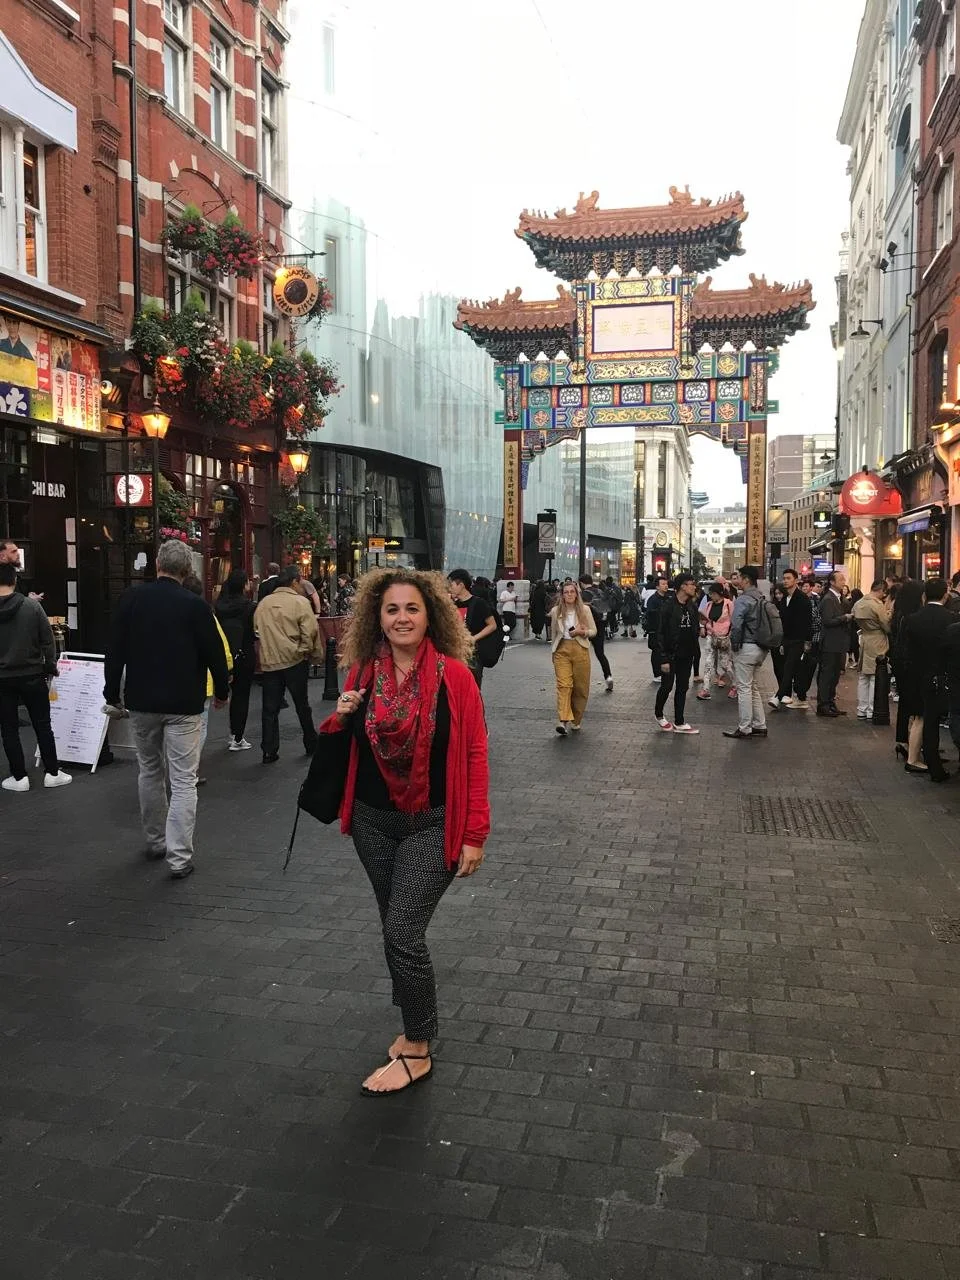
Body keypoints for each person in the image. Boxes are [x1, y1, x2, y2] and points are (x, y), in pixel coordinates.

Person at [319, 568, 489, 1095]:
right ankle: (411, 1018)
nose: (401, 619)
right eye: (391, 610)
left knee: (402, 933)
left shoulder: (455, 677)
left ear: (429, 614)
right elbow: (337, 742)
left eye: (411, 609)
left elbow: (476, 753)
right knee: (395, 927)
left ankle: (418, 1044)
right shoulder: (363, 674)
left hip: (433, 822)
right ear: (378, 616)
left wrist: (475, 833)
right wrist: (340, 717)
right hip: (374, 822)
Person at [103, 539, 230, 878]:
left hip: (142, 700)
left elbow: (115, 649)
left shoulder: (131, 600)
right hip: (184, 703)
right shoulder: (194, 606)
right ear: (187, 570)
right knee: (184, 779)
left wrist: (111, 691)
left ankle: (155, 840)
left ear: (156, 564)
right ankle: (179, 857)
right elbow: (213, 652)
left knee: (149, 770)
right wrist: (221, 689)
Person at [0, 562, 70, 792]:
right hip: (33, 674)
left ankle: (19, 777)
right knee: (43, 725)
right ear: (15, 580)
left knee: (8, 728)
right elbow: (47, 640)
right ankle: (52, 772)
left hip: (2, 679)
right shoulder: (31, 607)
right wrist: (50, 666)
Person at [253, 565, 320, 764]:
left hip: (270, 661)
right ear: (294, 582)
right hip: (294, 660)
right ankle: (310, 742)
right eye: (300, 582)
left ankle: (268, 750)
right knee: (302, 705)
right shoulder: (300, 602)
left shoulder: (264, 604)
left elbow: (257, 630)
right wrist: (308, 652)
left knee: (269, 709)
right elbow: (309, 632)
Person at [905, 578, 953, 782]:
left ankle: (926, 759)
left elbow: (907, 650)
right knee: (938, 718)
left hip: (918, 674)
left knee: (922, 719)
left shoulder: (912, 619)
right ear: (945, 595)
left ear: (924, 595)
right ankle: (932, 764)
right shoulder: (951, 618)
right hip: (943, 675)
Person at [724, 565, 769, 740]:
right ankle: (760, 724)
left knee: (743, 688)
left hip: (746, 646)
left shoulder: (743, 599)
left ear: (747, 579)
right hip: (761, 647)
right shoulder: (761, 596)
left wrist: (734, 644)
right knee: (753, 687)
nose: (738, 580)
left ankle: (744, 728)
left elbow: (736, 624)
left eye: (740, 577)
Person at [215, 568, 257, 750]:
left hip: (222, 653)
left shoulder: (219, 606)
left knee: (224, 691)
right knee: (241, 695)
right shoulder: (248, 607)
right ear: (243, 585)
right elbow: (254, 632)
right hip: (244, 653)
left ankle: (233, 734)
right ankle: (237, 736)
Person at [653, 573, 701, 734]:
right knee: (667, 686)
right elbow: (660, 633)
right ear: (682, 586)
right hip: (671, 653)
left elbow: (694, 628)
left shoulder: (691, 606)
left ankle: (679, 722)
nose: (694, 587)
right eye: (691, 584)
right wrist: (663, 658)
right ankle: (659, 714)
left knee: (683, 686)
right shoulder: (668, 606)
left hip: (687, 653)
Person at [549, 581, 596, 735]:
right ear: (562, 595)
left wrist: (583, 632)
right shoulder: (556, 611)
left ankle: (576, 719)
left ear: (577, 594)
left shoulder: (585, 610)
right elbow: (554, 633)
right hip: (562, 650)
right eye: (566, 592)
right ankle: (562, 720)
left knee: (581, 688)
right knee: (564, 685)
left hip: (580, 649)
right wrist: (553, 652)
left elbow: (593, 631)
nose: (569, 594)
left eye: (572, 592)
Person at [890, 580, 925, 766]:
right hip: (909, 664)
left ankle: (902, 740)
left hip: (900, 663)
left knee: (905, 703)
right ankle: (911, 743)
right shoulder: (912, 616)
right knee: (917, 707)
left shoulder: (899, 612)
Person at [770, 568, 813, 711]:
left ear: (796, 580)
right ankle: (799, 697)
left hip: (799, 639)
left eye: (789, 578)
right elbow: (783, 622)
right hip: (787, 639)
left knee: (789, 667)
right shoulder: (785, 600)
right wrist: (782, 641)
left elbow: (808, 622)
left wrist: (807, 641)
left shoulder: (802, 599)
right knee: (792, 669)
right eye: (784, 578)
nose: (786, 581)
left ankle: (778, 696)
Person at [447, 569, 498, 687]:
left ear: (461, 585)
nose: (449, 588)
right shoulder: (451, 604)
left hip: (472, 654)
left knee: (472, 688)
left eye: (451, 585)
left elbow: (492, 625)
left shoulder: (479, 603)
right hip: (453, 652)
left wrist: (473, 638)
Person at [816, 571, 854, 716]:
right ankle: (823, 704)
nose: (844, 581)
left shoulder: (840, 598)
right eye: (841, 579)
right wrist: (844, 618)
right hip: (830, 643)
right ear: (832, 582)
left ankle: (831, 702)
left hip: (839, 642)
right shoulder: (828, 599)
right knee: (827, 674)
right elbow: (827, 620)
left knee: (835, 675)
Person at [852, 581, 891, 720]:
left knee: (863, 676)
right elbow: (885, 625)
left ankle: (861, 709)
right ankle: (871, 709)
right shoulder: (877, 605)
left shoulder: (858, 603)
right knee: (875, 675)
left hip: (864, 639)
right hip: (877, 639)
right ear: (881, 590)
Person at [698, 583, 735, 701]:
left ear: (720, 593)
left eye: (713, 594)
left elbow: (734, 620)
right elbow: (704, 619)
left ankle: (735, 685)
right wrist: (703, 626)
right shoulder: (708, 605)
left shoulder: (729, 604)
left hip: (725, 638)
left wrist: (731, 634)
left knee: (725, 664)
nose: (712, 596)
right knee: (708, 663)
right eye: (710, 594)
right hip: (711, 636)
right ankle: (706, 689)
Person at [578, 574, 614, 692]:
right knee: (600, 653)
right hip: (600, 625)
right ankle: (608, 676)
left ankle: (580, 680)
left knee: (581, 653)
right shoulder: (600, 591)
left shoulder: (584, 594)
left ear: (581, 583)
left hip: (587, 627)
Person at [643, 575, 670, 682]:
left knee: (665, 651)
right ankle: (657, 673)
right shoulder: (652, 599)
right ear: (657, 587)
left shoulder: (668, 598)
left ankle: (665, 671)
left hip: (667, 630)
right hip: (655, 630)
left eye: (666, 584)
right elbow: (650, 615)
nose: (666, 586)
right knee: (656, 651)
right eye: (663, 584)